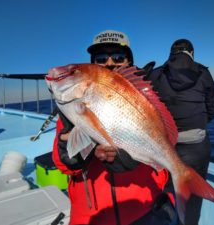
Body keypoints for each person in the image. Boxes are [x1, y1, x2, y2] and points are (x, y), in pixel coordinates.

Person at [52, 30, 177, 225]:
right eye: (101, 58)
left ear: (129, 61)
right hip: (93, 217)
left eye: (119, 57)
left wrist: (137, 157)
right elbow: (63, 165)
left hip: (144, 207)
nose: (110, 63)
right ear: (92, 64)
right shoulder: (74, 106)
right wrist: (70, 153)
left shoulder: (143, 98)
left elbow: (161, 157)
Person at [147, 39, 214, 225]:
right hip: (197, 146)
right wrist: (200, 123)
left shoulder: (156, 74)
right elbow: (212, 108)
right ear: (191, 53)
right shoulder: (203, 72)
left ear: (171, 53)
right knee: (193, 197)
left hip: (164, 144)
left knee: (165, 189)